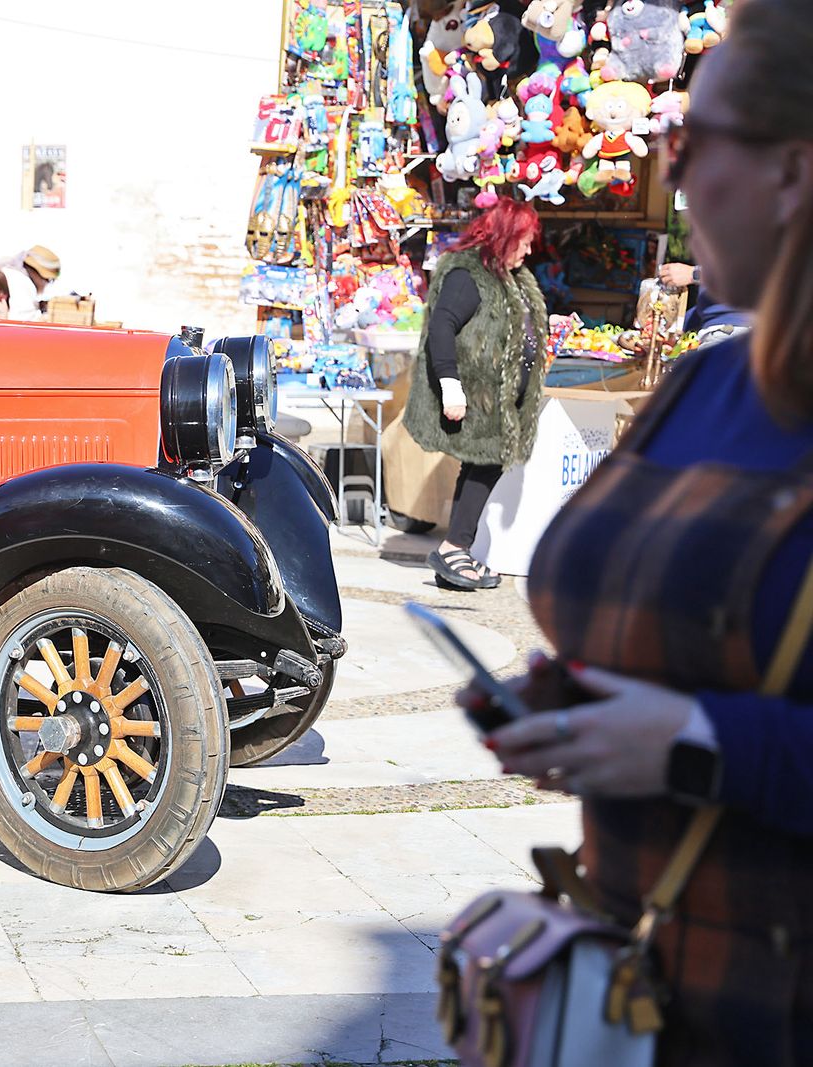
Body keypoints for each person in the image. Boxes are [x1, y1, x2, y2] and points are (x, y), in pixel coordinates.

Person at [485, 5, 813, 1060]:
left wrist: (696, 739)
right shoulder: (704, 381)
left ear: (792, 173)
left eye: (691, 142)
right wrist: (569, 703)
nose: (668, 178)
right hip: (642, 995)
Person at [403, 198, 547, 590]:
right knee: (485, 463)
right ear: (505, 237)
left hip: (497, 400)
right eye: (525, 241)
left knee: (483, 465)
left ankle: (456, 549)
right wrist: (450, 384)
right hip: (477, 394)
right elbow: (442, 326)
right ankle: (453, 549)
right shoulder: (469, 275)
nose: (529, 250)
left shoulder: (509, 276)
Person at [658, 260, 753, 347]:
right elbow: (708, 308)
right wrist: (670, 328)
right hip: (722, 333)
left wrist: (694, 274)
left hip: (731, 333)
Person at [0, 245, 61, 321]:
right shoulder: (22, 281)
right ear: (37, 272)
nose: (47, 284)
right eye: (48, 279)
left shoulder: (8, 272)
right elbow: (25, 319)